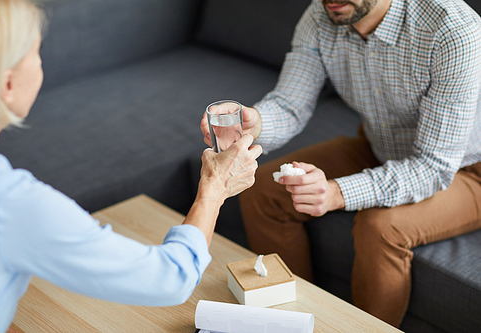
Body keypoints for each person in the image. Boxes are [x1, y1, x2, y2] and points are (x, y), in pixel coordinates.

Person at [0, 0, 262, 332]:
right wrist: (213, 188)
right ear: (8, 85)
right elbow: (170, 279)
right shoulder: (11, 205)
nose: (41, 64)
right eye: (36, 53)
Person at [200, 0, 481, 327]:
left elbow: (432, 166)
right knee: (264, 190)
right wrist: (256, 123)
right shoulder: (323, 13)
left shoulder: (452, 30)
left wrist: (337, 192)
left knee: (379, 228)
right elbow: (290, 105)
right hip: (380, 145)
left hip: (465, 168)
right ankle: (298, 322)